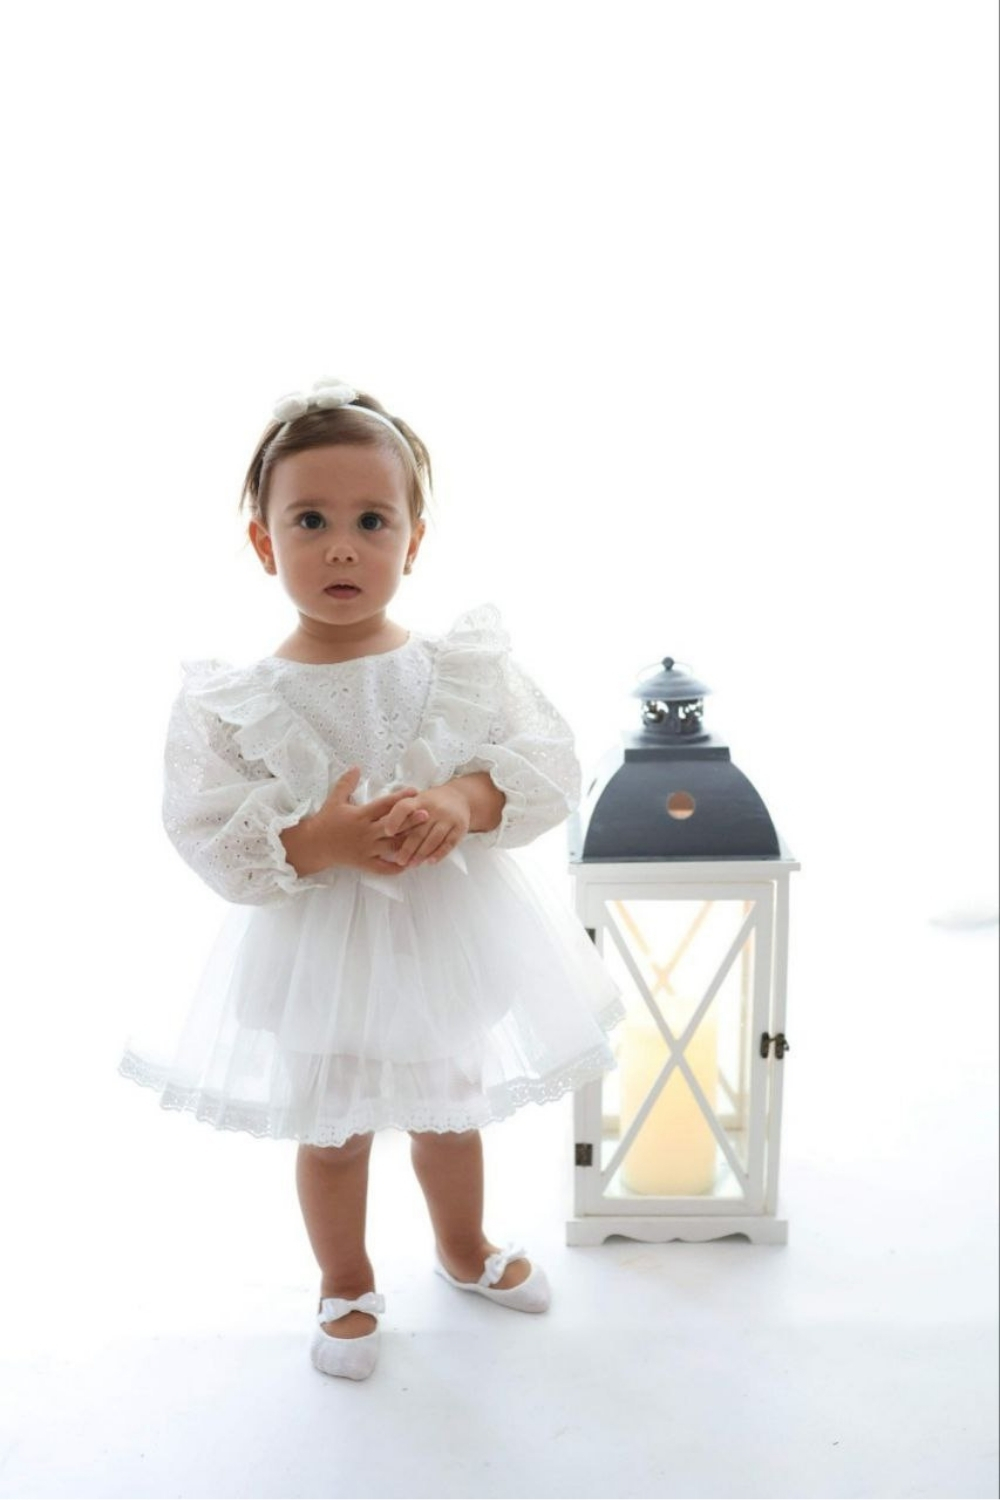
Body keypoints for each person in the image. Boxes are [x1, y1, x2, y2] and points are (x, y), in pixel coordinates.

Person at [119, 377, 623, 1381]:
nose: (342, 547)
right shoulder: (238, 701)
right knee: (335, 1132)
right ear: (264, 542)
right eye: (310, 520)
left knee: (450, 1111)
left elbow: (543, 761)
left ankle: (463, 1246)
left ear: (413, 540)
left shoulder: (457, 669)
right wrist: (321, 840)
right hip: (321, 950)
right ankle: (343, 1279)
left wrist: (463, 800)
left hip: (441, 936)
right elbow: (207, 830)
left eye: (371, 521)